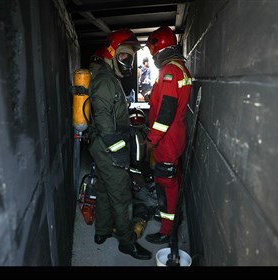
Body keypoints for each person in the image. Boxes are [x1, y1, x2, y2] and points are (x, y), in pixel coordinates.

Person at [88, 28, 152, 260]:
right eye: (124, 56)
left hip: (101, 144)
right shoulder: (105, 80)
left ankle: (102, 232)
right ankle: (126, 242)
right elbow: (104, 118)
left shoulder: (107, 77)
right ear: (112, 53)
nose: (127, 61)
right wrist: (118, 151)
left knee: (105, 190)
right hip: (108, 145)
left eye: (130, 57)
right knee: (122, 194)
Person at [143, 26, 192, 244]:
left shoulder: (169, 72)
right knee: (171, 179)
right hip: (175, 136)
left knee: (166, 182)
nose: (152, 57)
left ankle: (167, 229)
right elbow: (166, 102)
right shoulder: (180, 68)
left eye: (152, 52)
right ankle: (168, 216)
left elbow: (165, 114)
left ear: (158, 49)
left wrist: (151, 140)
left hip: (166, 140)